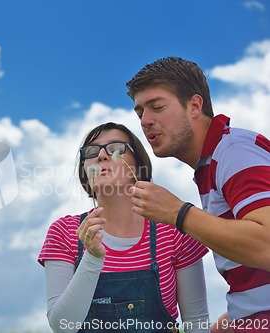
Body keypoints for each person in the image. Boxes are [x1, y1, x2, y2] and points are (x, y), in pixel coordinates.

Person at [126, 56, 270, 333]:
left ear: (194, 105)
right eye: (140, 113)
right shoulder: (213, 163)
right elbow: (255, 293)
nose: (145, 121)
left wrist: (178, 213)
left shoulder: (233, 152)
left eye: (157, 107)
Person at [38, 122, 209, 333]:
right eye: (91, 151)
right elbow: (62, 326)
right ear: (85, 172)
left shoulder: (174, 231)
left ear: (138, 166)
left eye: (116, 148)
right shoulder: (65, 231)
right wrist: (91, 258)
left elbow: (197, 324)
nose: (101, 156)